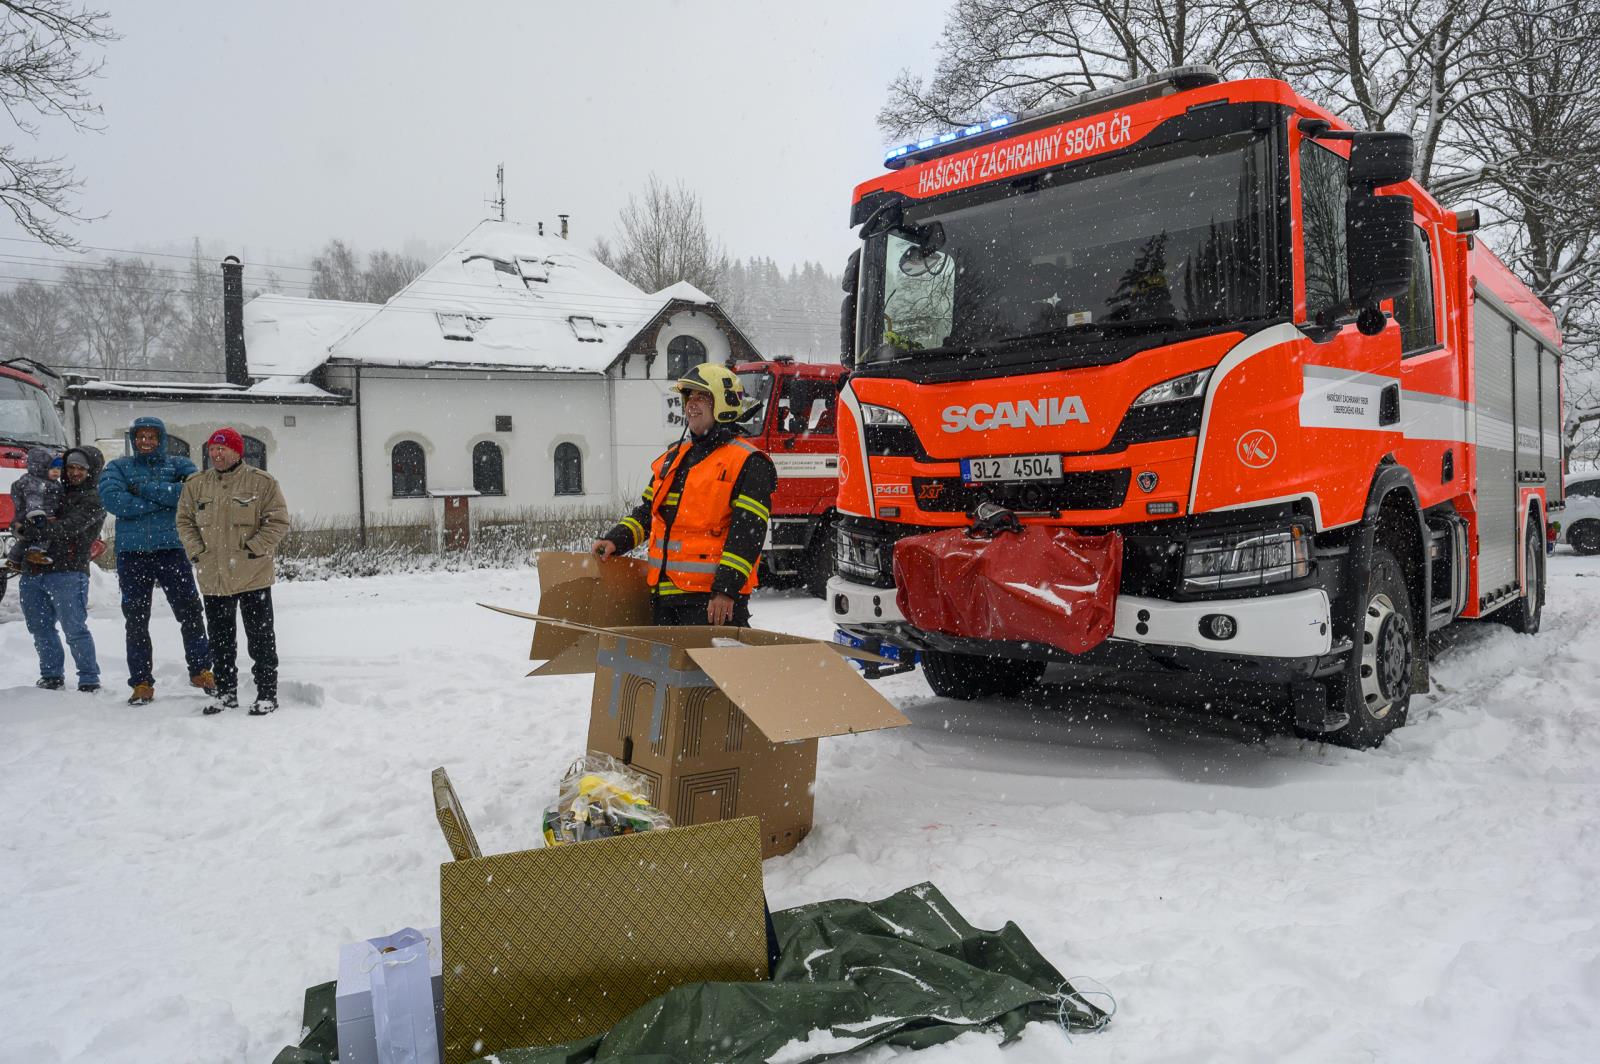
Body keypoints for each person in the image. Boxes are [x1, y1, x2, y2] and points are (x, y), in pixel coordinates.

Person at [592, 363, 775, 628]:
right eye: (688, 396)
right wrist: (616, 540)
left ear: (723, 403)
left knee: (711, 671)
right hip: (664, 600)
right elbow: (648, 512)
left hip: (711, 604)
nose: (691, 404)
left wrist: (725, 590)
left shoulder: (748, 461)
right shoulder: (673, 458)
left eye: (701, 396)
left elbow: (747, 533)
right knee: (666, 671)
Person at [98, 416, 215, 706]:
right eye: (141, 437)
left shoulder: (179, 465)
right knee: (136, 621)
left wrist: (143, 491)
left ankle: (201, 670)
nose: (146, 442)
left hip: (172, 549)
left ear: (161, 439)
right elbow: (114, 501)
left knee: (190, 612)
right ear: (133, 439)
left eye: (151, 437)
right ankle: (141, 682)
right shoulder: (118, 467)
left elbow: (194, 493)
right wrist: (167, 498)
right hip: (132, 554)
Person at [177, 427, 290, 715]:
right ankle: (225, 694)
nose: (216, 454)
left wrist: (254, 547)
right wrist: (197, 552)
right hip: (214, 576)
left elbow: (277, 521)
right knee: (220, 641)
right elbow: (185, 522)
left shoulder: (261, 483)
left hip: (253, 574)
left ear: (237, 451)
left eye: (222, 449)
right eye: (213, 449)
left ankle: (267, 694)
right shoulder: (196, 484)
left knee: (261, 638)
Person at [17, 447, 105, 692]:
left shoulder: (94, 498)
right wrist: (21, 526)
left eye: (81, 468)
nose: (74, 472)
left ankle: (88, 678)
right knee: (40, 629)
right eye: (71, 467)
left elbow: (68, 528)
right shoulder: (49, 486)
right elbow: (22, 514)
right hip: (33, 569)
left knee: (74, 629)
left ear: (91, 471)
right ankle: (51, 675)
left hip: (68, 570)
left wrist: (31, 528)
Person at [5, 446, 64, 570]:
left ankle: (13, 559)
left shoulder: (53, 483)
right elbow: (33, 500)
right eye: (51, 468)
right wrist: (38, 516)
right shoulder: (35, 483)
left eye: (58, 468)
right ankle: (35, 553)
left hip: (39, 515)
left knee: (26, 540)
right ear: (40, 468)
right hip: (35, 516)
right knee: (46, 534)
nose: (56, 472)